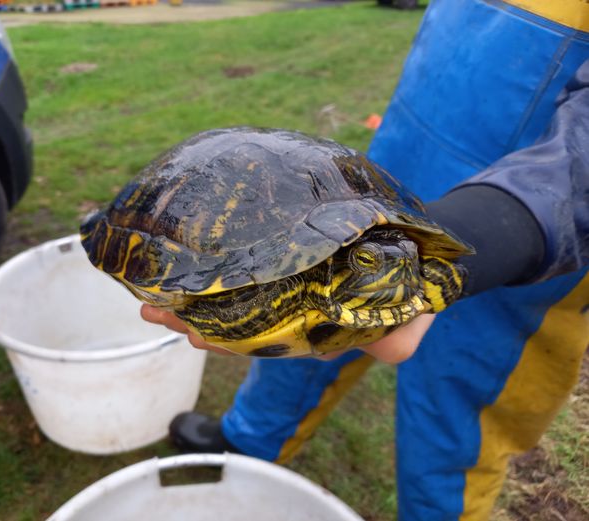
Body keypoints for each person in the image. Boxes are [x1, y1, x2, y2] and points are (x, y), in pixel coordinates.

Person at [143, 1, 589, 519]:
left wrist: (478, 236)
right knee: (297, 353)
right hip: (390, 174)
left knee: (455, 423)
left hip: (525, 236)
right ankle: (248, 443)